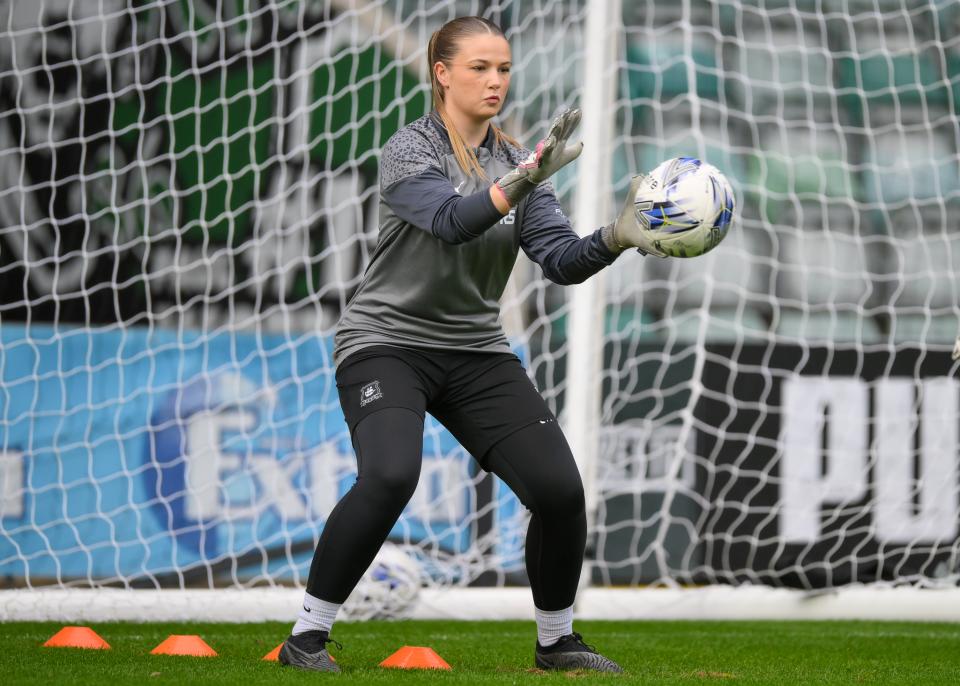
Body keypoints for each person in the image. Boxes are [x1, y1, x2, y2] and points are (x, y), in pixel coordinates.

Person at [279, 15, 666, 674]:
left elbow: (562, 261)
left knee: (560, 491)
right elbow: (454, 223)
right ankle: (306, 638)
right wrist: (526, 176)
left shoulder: (520, 162)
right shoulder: (412, 149)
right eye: (480, 67)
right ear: (442, 74)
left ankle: (557, 644)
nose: (496, 81)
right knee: (392, 475)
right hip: (386, 342)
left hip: (475, 350)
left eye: (504, 69)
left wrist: (619, 236)